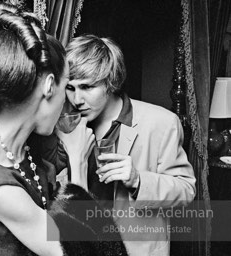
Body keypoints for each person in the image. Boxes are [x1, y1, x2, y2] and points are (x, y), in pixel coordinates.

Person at [0, 2, 86, 255]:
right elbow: (76, 250)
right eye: (67, 88)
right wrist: (78, 159)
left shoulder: (14, 143)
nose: (70, 101)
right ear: (49, 86)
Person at [48, 34, 196, 256]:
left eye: (87, 87)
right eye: (70, 88)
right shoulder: (63, 123)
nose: (77, 99)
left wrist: (138, 181)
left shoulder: (162, 123)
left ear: (110, 82)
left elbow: (186, 192)